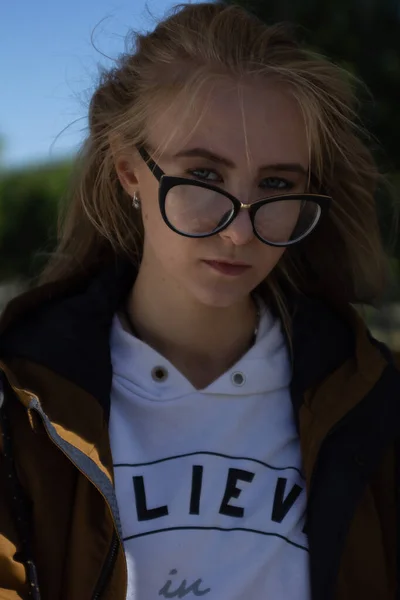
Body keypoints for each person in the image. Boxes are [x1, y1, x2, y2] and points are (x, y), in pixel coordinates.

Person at [0, 2, 399, 599]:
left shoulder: (369, 399)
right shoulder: (24, 405)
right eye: (205, 177)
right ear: (129, 170)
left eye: (276, 184)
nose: (240, 231)